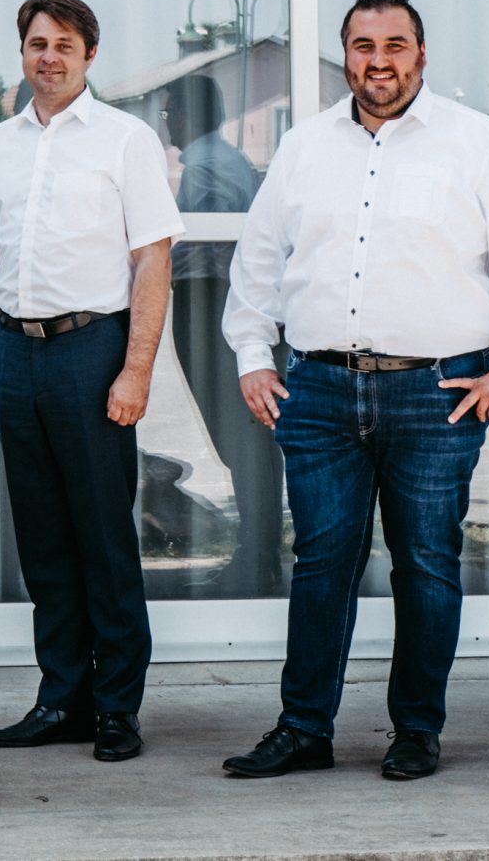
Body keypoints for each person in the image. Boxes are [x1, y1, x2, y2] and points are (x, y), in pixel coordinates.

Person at [220, 0, 489, 783]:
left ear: (422, 53)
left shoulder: (479, 144)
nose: (379, 61)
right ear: (346, 54)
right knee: (321, 563)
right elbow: (260, 258)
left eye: (395, 45)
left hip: (437, 393)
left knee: (427, 564)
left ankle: (415, 729)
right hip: (318, 390)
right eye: (364, 45)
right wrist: (251, 352)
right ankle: (304, 728)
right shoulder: (305, 147)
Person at [0, 0, 179, 760]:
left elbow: (153, 258)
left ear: (90, 54)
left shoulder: (126, 141)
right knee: (44, 540)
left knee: (103, 537)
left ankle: (116, 706)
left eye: (63, 44)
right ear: (22, 52)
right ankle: (62, 700)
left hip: (91, 351)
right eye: (36, 43)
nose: (48, 56)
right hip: (15, 353)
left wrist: (136, 370)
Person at [163, 73, 280, 595]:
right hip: (216, 299)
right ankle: (259, 552)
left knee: (241, 437)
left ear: (190, 114)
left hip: (212, 302)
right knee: (245, 438)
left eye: (170, 111)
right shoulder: (219, 159)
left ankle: (257, 555)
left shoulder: (211, 165)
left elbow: (212, 244)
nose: (166, 121)